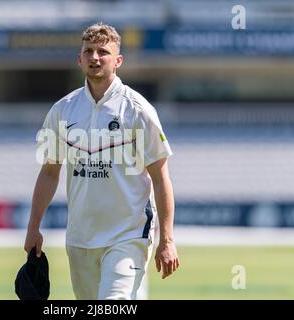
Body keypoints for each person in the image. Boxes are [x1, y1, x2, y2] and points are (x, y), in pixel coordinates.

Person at [24, 22, 179, 300]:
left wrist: (166, 240)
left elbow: (160, 176)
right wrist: (33, 227)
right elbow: (49, 172)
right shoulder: (62, 111)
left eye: (103, 52)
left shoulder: (137, 110)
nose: (95, 57)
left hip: (128, 236)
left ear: (118, 61)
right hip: (80, 238)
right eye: (89, 51)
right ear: (79, 59)